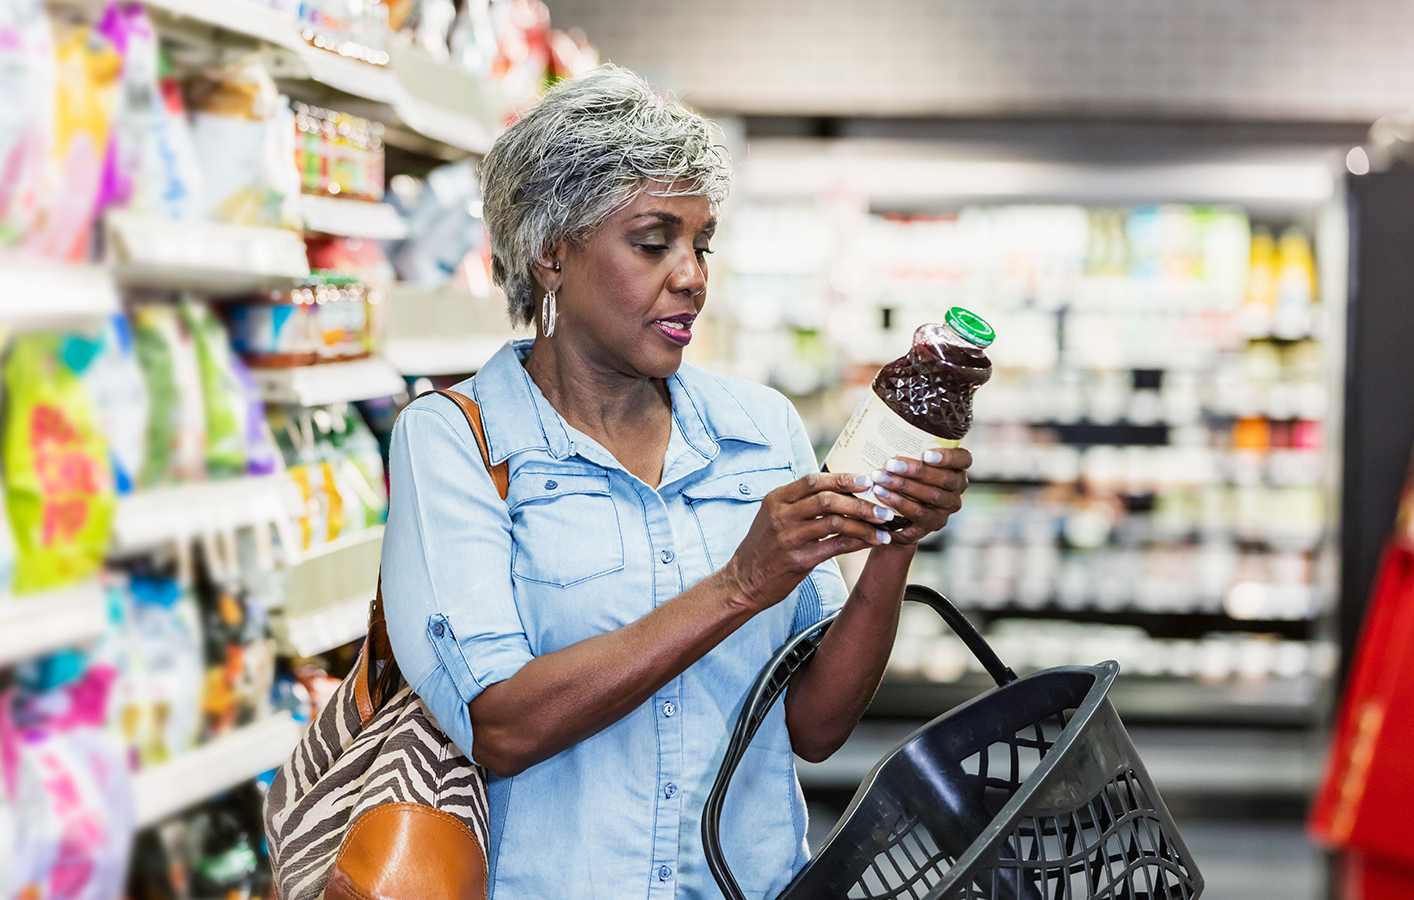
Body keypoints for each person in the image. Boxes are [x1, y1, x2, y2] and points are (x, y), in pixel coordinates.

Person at [380, 64, 972, 899]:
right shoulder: (457, 442)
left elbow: (815, 725)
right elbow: (501, 725)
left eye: (702, 243)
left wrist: (890, 546)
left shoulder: (759, 431)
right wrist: (739, 584)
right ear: (551, 252)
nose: (691, 274)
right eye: (653, 242)